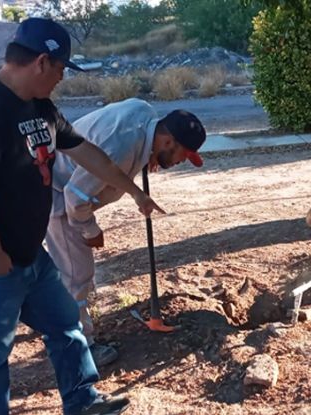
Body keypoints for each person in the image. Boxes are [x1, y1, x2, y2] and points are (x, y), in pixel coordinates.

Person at [0, 18, 164, 415]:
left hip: (28, 254)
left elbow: (85, 151)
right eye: (61, 68)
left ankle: (80, 401)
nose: (62, 77)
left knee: (65, 323)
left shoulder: (39, 106)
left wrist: (133, 190)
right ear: (41, 61)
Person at [46, 99, 207, 366]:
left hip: (62, 179)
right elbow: (75, 198)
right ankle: (79, 349)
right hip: (57, 193)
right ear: (168, 142)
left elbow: (124, 136)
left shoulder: (144, 114)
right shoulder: (121, 150)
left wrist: (146, 159)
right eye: (184, 156)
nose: (182, 162)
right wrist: (90, 230)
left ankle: (54, 320)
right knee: (76, 275)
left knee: (69, 274)